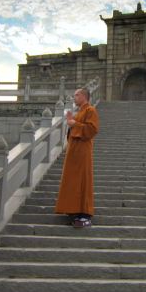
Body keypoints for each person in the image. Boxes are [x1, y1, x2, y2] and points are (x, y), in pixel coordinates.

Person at [55, 87, 99, 228]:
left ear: (84, 96)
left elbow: (92, 130)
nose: (74, 97)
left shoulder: (90, 110)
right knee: (72, 180)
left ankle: (84, 213)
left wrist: (74, 124)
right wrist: (71, 122)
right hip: (73, 152)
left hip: (83, 152)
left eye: (77, 95)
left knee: (82, 180)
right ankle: (73, 210)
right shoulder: (79, 112)